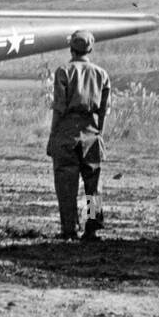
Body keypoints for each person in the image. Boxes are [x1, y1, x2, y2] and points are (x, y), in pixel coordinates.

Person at [46, 29, 111, 241]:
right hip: (92, 134)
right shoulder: (101, 74)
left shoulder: (63, 72)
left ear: (71, 48)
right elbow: (103, 112)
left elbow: (59, 108)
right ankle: (92, 228)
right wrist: (98, 133)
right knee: (94, 187)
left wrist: (53, 136)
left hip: (66, 133)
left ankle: (69, 229)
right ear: (90, 48)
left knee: (66, 185)